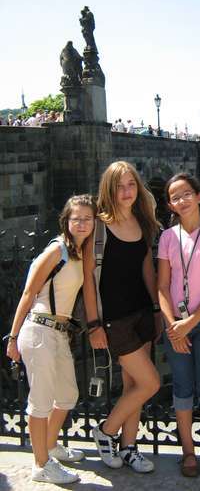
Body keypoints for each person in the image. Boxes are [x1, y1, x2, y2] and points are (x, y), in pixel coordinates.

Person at [6, 194, 97, 484]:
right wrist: (13, 337)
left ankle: (50, 445)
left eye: (87, 218)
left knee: (67, 395)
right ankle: (41, 464)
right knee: (41, 401)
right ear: (66, 221)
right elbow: (28, 293)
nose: (82, 223)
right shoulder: (56, 251)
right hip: (39, 330)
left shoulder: (80, 252)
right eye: (76, 218)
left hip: (58, 332)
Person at [83, 160, 162, 473]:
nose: (127, 192)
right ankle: (106, 431)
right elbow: (89, 280)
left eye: (131, 185)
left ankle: (129, 448)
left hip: (141, 312)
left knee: (134, 386)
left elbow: (146, 270)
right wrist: (93, 325)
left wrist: (156, 309)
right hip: (115, 320)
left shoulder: (142, 222)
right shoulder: (98, 227)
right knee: (150, 382)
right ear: (109, 190)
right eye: (120, 186)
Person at [157, 173, 200, 480]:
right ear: (170, 205)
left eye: (187, 194)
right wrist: (173, 326)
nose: (182, 200)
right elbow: (162, 287)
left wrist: (190, 322)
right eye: (175, 197)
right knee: (182, 388)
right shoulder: (167, 238)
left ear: (199, 197)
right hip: (176, 325)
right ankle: (188, 452)